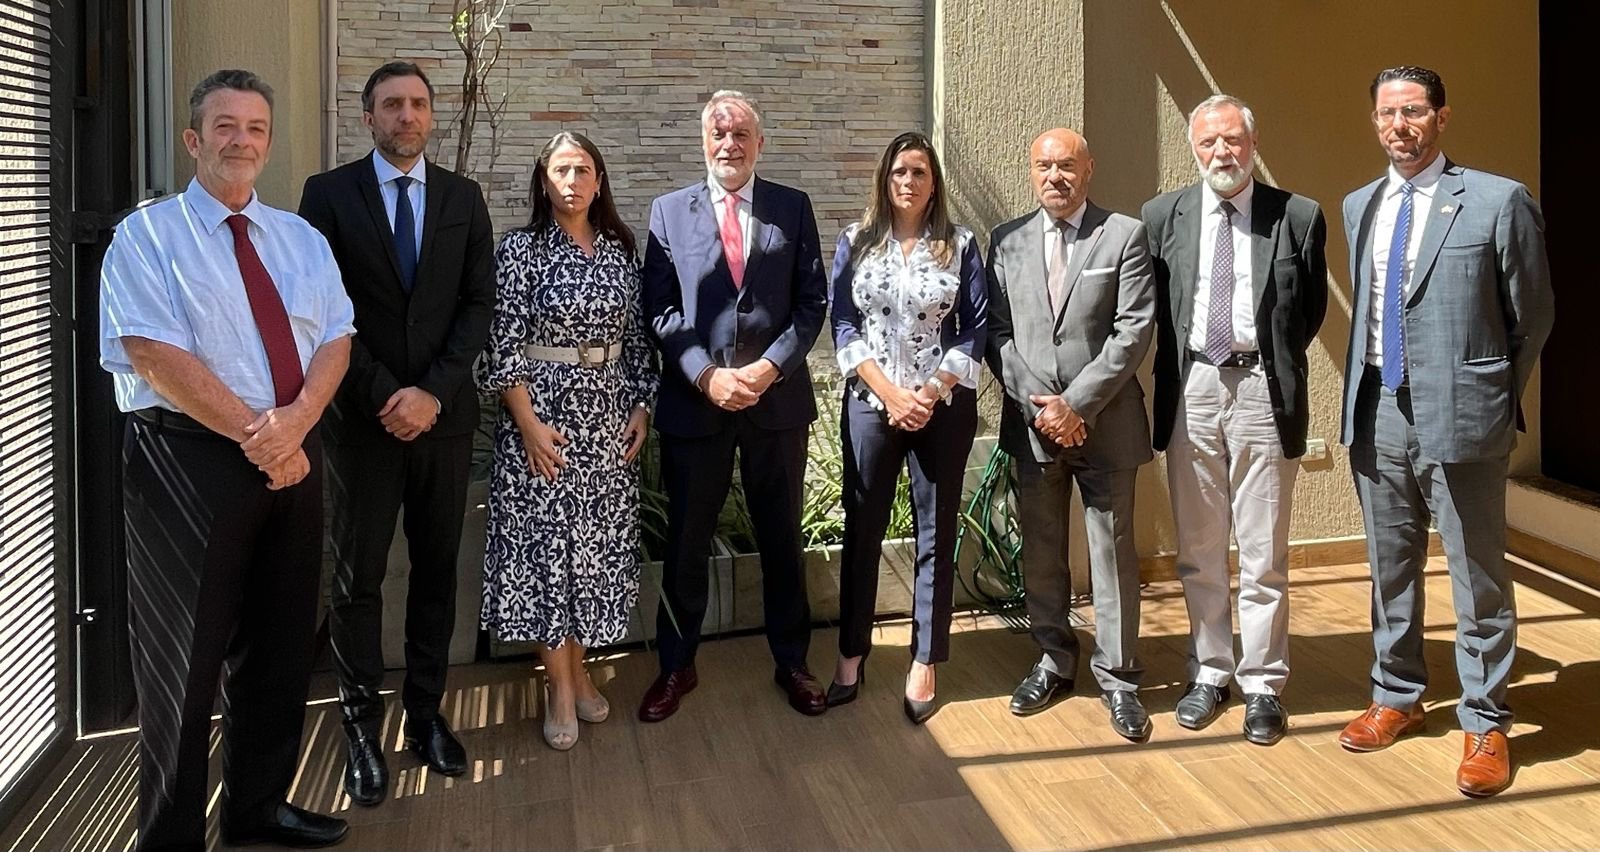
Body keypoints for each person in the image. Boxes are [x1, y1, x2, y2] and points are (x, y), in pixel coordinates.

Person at [99, 69, 353, 849]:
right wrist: (261, 435)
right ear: (192, 138)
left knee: (280, 647)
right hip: (190, 465)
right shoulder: (146, 237)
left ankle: (258, 807)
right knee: (185, 659)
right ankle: (171, 834)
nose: (241, 140)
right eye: (224, 125)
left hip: (294, 458)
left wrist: (299, 423)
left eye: (255, 128)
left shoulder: (301, 239)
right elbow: (151, 353)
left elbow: (336, 335)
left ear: (268, 142)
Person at [1336, 65, 1553, 797]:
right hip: (1378, 411)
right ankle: (1397, 696)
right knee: (1388, 566)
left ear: (1441, 117)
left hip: (1465, 414)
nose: (1400, 125)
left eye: (1415, 111)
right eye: (1388, 113)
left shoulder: (1497, 201)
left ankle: (1486, 720)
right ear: (1374, 122)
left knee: (1478, 576)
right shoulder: (1358, 203)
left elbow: (1533, 315)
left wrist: (1491, 394)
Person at [298, 61, 494, 804]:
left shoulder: (463, 198)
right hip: (362, 424)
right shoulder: (327, 197)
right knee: (357, 580)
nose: (406, 116)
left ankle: (425, 714)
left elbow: (478, 306)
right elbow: (318, 309)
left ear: (431, 116)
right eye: (391, 105)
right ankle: (358, 727)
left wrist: (433, 393)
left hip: (443, 425)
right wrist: (387, 393)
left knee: (438, 574)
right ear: (368, 116)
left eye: (417, 104)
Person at [639, 89, 830, 722]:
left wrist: (771, 366)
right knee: (688, 541)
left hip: (775, 406)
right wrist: (703, 377)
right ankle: (676, 665)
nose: (729, 143)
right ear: (703, 142)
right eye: (719, 134)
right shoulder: (669, 213)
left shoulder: (792, 209)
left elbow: (811, 304)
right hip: (699, 408)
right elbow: (661, 310)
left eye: (741, 133)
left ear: (759, 143)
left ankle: (793, 662)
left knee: (781, 539)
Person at [1142, 95, 1328, 745]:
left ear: (1253, 142)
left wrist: (1257, 360)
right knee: (1198, 545)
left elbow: (1306, 314)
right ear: (1194, 148)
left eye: (1232, 141)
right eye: (1208, 143)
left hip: (1260, 388)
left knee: (1262, 549)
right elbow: (1156, 310)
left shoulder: (1297, 216)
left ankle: (1263, 685)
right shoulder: (1163, 216)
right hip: (1191, 384)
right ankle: (1210, 670)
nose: (1221, 153)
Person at [478, 131, 657, 750]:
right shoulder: (520, 251)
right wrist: (526, 424)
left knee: (589, 556)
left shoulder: (618, 252)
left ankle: (578, 673)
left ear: (599, 181)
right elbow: (501, 343)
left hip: (606, 424)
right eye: (561, 170)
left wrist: (642, 406)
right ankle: (558, 685)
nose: (573, 180)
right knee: (548, 554)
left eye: (583, 169)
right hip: (543, 420)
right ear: (544, 182)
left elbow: (637, 341)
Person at [985, 128, 1156, 741]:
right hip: (1035, 427)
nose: (1054, 176)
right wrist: (1042, 408)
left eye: (1066, 166)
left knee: (1112, 555)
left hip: (1106, 424)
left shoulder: (1125, 235)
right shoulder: (1005, 241)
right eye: (1043, 166)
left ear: (1088, 169)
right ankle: (1054, 660)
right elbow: (996, 333)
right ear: (1031, 172)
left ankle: (1120, 678)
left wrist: (1076, 403)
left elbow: (1133, 331)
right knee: (1042, 549)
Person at [827, 131, 987, 724]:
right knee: (862, 524)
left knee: (935, 529)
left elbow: (975, 329)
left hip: (940, 407)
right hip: (873, 404)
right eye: (899, 172)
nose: (908, 182)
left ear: (933, 181)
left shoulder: (961, 245)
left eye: (919, 172)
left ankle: (926, 657)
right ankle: (851, 651)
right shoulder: (856, 242)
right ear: (885, 179)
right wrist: (889, 392)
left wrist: (928, 392)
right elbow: (843, 322)